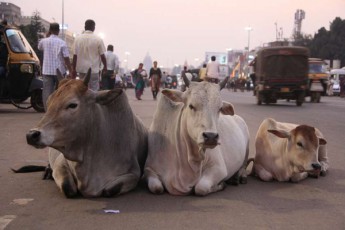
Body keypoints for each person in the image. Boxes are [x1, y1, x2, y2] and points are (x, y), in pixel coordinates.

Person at [38, 22, 72, 111]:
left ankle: (48, 111)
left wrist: (47, 35)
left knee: (47, 92)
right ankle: (59, 110)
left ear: (50, 30)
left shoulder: (43, 41)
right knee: (60, 92)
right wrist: (71, 70)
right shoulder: (62, 43)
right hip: (60, 72)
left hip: (47, 71)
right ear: (58, 31)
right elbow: (66, 58)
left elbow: (39, 47)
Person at [72, 19, 107, 91]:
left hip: (81, 70)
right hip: (93, 70)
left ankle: (83, 102)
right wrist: (105, 67)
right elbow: (102, 56)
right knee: (94, 90)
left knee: (82, 89)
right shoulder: (98, 39)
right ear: (94, 28)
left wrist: (73, 69)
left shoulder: (77, 39)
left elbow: (75, 56)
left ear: (85, 27)